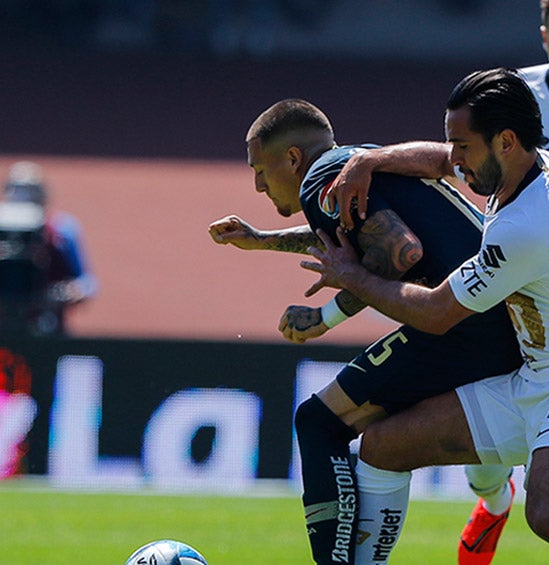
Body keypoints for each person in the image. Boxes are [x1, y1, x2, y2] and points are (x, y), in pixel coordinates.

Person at [330, 1, 549, 560]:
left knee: (547, 513)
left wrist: (351, 276)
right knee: (383, 446)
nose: (454, 158)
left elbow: (435, 313)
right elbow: (441, 164)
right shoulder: (544, 163)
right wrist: (372, 159)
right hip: (536, 377)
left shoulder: (526, 227)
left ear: (506, 143)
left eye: (463, 146)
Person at [207, 98, 526, 564]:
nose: (257, 185)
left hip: (467, 324)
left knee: (318, 422)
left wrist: (325, 317)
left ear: (293, 159)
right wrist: (263, 241)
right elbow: (354, 236)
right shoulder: (355, 161)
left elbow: (401, 253)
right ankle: (490, 500)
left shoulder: (320, 181)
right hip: (498, 319)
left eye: (260, 169)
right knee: (382, 444)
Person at [0, 161, 97, 336]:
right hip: (1, 325)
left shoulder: (62, 229)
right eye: (14, 188)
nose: (21, 195)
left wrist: (62, 293)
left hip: (48, 324)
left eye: (29, 189)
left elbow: (87, 283)